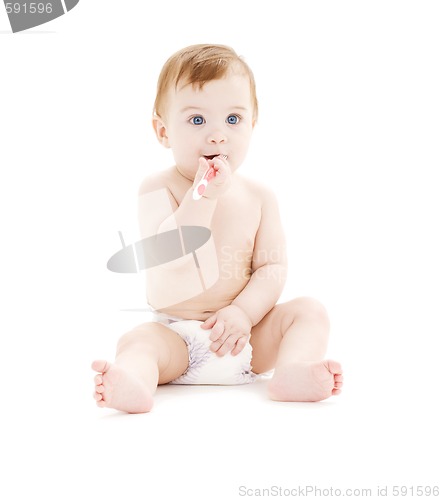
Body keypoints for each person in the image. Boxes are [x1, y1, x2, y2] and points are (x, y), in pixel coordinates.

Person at [92, 44, 343, 413]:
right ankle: (135, 382)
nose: (217, 136)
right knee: (138, 341)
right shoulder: (156, 188)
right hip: (176, 337)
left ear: (252, 125)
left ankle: (292, 372)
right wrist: (203, 195)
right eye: (197, 121)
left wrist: (242, 312)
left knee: (310, 312)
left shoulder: (260, 196)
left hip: (246, 339)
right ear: (163, 131)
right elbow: (172, 253)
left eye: (233, 119)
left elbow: (271, 268)